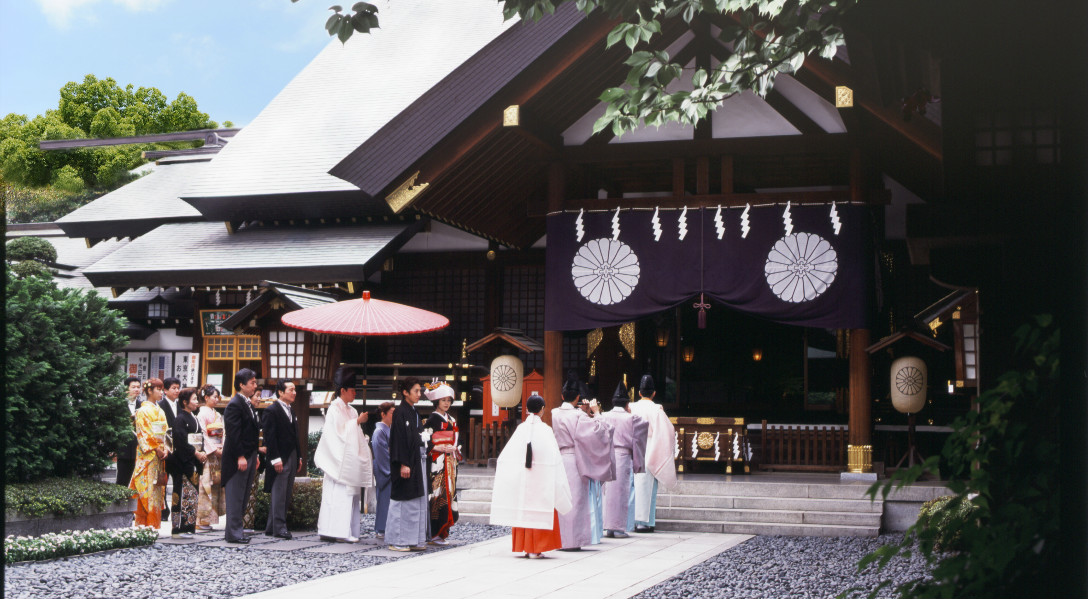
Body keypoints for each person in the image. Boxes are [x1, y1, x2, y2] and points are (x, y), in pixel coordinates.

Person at [490, 393, 573, 559]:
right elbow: (553, 457)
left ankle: (526, 547)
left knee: (524, 509)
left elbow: (507, 457)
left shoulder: (521, 429)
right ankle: (536, 548)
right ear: (542, 410)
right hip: (541, 477)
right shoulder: (546, 430)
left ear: (527, 410)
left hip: (524, 478)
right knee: (540, 509)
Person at [550, 372, 614, 551]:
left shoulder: (554, 413)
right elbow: (601, 430)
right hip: (575, 460)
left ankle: (560, 539)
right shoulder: (578, 416)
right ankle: (573, 541)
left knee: (561, 499)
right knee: (576, 501)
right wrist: (596, 413)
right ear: (578, 397)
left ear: (562, 396)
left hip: (560, 458)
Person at [315, 368, 372, 543]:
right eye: (352, 390)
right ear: (343, 391)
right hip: (337, 460)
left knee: (351, 497)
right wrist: (356, 423)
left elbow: (354, 433)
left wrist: (361, 435)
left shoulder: (352, 410)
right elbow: (335, 435)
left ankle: (350, 529)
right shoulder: (334, 409)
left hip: (350, 459)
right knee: (338, 497)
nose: (355, 393)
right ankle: (335, 531)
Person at [628, 374, 677, 533]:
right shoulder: (656, 409)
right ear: (654, 393)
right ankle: (645, 522)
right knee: (647, 486)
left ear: (639, 393)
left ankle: (631, 521)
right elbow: (668, 431)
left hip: (632, 448)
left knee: (632, 486)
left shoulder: (630, 407)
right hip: (649, 447)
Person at [600, 382, 648, 538]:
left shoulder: (604, 416)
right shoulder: (632, 418)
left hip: (607, 456)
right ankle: (619, 528)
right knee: (620, 492)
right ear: (627, 403)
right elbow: (641, 433)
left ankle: (608, 527)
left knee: (607, 494)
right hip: (622, 457)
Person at [386, 377, 429, 552]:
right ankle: (397, 540)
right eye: (416, 391)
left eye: (420, 391)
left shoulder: (414, 412)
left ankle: (414, 539)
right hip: (405, 462)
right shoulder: (400, 412)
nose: (419, 394)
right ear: (405, 392)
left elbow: (417, 437)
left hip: (416, 461)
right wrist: (403, 463)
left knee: (415, 500)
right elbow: (398, 440)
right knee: (402, 501)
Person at [222, 368, 261, 544]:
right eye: (252, 382)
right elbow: (233, 434)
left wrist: (255, 454)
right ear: (241, 384)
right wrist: (240, 456)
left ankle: (237, 531)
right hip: (238, 457)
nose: (255, 385)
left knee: (244, 495)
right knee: (236, 495)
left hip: (250, 454)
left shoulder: (247, 403)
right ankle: (233, 533)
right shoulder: (235, 404)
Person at [263, 379, 304, 540]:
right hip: (280, 456)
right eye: (291, 390)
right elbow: (270, 437)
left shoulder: (291, 411)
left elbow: (295, 436)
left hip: (292, 455)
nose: (294, 393)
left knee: (285, 493)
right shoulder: (271, 411)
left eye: (295, 390)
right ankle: (279, 527)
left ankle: (272, 526)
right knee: (279, 492)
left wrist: (299, 455)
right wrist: (275, 459)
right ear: (280, 392)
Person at [423, 381, 460, 545]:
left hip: (449, 461)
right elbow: (426, 442)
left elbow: (456, 439)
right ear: (436, 401)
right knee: (437, 493)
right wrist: (438, 446)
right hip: (437, 461)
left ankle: (444, 531)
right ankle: (434, 531)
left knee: (449, 493)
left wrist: (453, 448)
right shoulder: (431, 419)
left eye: (449, 400)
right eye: (443, 400)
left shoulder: (452, 419)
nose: (447, 403)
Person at [130, 378, 170, 528]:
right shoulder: (142, 411)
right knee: (146, 490)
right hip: (148, 456)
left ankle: (153, 524)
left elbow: (166, 433)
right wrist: (158, 449)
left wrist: (166, 448)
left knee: (157, 490)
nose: (161, 392)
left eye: (161, 389)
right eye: (158, 389)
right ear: (149, 391)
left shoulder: (160, 411)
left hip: (159, 456)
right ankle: (144, 524)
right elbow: (144, 434)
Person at [170, 388, 206, 538]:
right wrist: (195, 452)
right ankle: (178, 528)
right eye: (194, 399)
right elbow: (180, 440)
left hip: (194, 460)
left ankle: (189, 526)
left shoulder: (194, 418)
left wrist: (202, 452)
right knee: (182, 492)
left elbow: (199, 437)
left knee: (192, 494)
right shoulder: (180, 419)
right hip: (183, 461)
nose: (197, 402)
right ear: (185, 402)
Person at [195, 385, 225, 531]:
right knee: (204, 484)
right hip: (208, 454)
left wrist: (221, 448)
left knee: (214, 484)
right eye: (214, 396)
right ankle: (200, 519)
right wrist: (213, 450)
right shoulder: (201, 414)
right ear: (206, 398)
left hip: (217, 453)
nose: (216, 399)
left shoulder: (217, 414)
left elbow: (222, 433)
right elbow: (203, 434)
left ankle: (209, 520)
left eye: (217, 397)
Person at [159, 376, 183, 519]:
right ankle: (163, 509)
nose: (176, 391)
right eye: (173, 388)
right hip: (165, 450)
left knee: (178, 481)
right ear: (165, 390)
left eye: (178, 388)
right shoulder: (160, 406)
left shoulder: (181, 406)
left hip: (179, 450)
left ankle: (176, 508)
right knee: (163, 481)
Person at [371, 401, 395, 540]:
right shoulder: (379, 431)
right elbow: (381, 453)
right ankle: (381, 528)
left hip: (389, 466)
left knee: (389, 500)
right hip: (384, 468)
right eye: (392, 413)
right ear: (383, 414)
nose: (394, 415)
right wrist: (389, 471)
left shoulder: (388, 429)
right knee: (384, 499)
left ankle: (386, 527)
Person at [116, 376, 142, 487]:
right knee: (122, 479)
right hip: (124, 448)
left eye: (138, 387)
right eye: (133, 387)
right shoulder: (119, 405)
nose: (136, 389)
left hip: (139, 448)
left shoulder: (142, 405)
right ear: (127, 389)